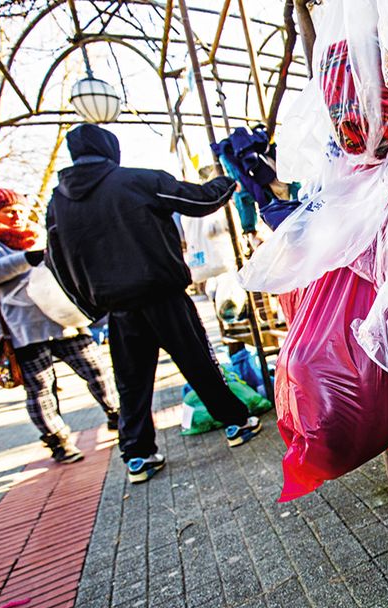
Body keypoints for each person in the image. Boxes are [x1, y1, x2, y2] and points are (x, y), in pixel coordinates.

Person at [46, 124, 261, 484]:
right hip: (163, 296)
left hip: (118, 308)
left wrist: (90, 307)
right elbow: (197, 200)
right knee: (198, 363)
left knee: (131, 383)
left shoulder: (59, 204)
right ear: (109, 149)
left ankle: (138, 455)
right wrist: (228, 180)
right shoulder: (137, 180)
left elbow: (56, 261)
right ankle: (236, 423)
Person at [0, 188, 120, 463]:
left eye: (21, 210)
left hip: (63, 317)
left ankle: (117, 414)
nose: (18, 216)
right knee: (41, 386)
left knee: (97, 369)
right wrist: (23, 259)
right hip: (19, 328)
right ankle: (58, 440)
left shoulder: (35, 233)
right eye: (9, 212)